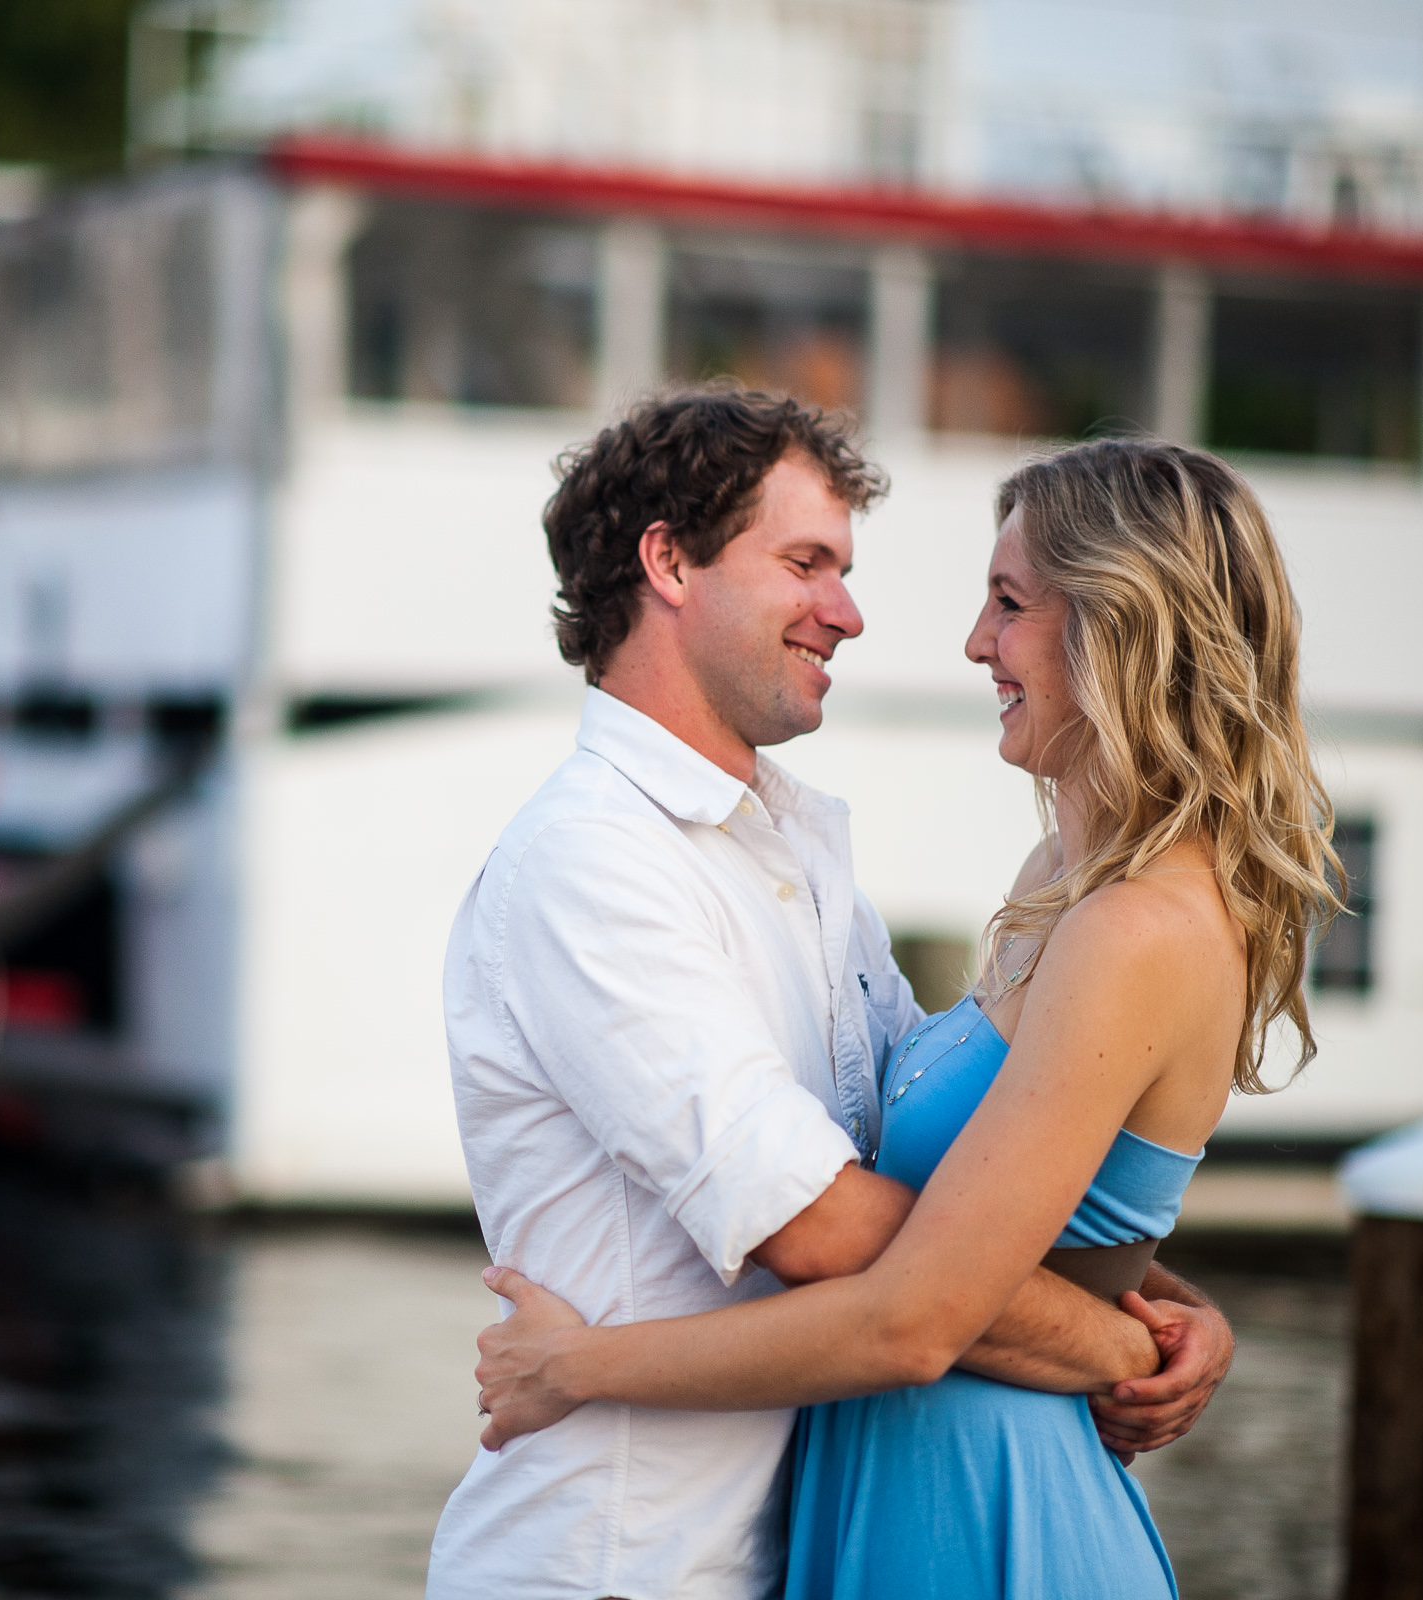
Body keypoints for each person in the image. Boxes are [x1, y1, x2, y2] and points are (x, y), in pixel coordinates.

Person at [472, 434, 1344, 1599]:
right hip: (644, 1556)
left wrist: (575, 1363)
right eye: (805, 562)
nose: (867, 617)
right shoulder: (593, 864)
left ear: (1121, 623)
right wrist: (1125, 1335)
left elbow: (924, 1287)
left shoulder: (1106, 920)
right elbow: (844, 1222)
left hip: (972, 1503)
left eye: (1005, 602)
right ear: (667, 566)